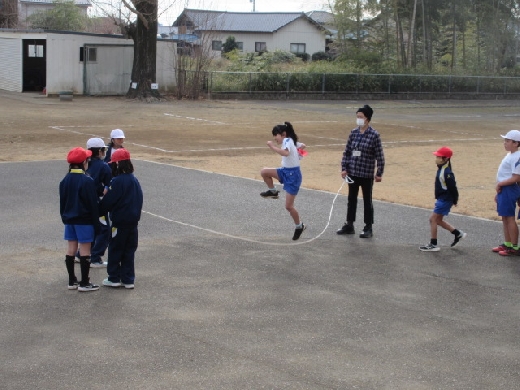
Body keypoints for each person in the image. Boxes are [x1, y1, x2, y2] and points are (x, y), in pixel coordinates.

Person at [336, 104, 385, 238]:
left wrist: (379, 172)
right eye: (357, 117)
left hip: (366, 173)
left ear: (367, 119)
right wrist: (344, 168)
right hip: (353, 172)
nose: (358, 119)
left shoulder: (374, 135)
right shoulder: (353, 133)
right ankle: (349, 224)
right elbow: (347, 152)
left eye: (361, 117)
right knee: (351, 199)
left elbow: (380, 155)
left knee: (367, 201)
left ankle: (368, 227)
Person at [100, 149, 143, 289]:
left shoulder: (117, 181)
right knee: (129, 250)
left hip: (119, 222)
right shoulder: (134, 180)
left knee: (116, 249)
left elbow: (109, 201)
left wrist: (100, 207)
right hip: (133, 222)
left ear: (117, 163)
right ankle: (128, 278)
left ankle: (114, 277)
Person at [59, 147, 100, 292]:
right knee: (85, 250)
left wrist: (64, 218)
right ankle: (84, 282)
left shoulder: (65, 180)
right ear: (84, 162)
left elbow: (62, 203)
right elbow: (92, 204)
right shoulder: (87, 180)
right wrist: (97, 223)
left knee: (71, 249)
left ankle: (72, 280)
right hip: (84, 221)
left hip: (69, 220)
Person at [260, 122, 306, 241]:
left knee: (289, 206)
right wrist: (298, 147)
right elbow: (303, 145)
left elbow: (286, 153)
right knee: (264, 172)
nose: (275, 138)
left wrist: (272, 147)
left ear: (283, 134)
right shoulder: (290, 141)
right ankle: (273, 191)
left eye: (276, 135)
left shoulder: (287, 141)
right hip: (285, 171)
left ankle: (299, 226)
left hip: (293, 175)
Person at [419, 146, 467, 252]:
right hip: (443, 199)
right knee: (438, 220)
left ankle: (433, 244)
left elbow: (453, 187)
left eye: (439, 157)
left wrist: (455, 199)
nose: (436, 158)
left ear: (446, 159)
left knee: (433, 219)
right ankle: (458, 234)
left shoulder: (447, 173)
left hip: (445, 199)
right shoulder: (442, 170)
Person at [492, 130, 520, 256]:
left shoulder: (517, 157)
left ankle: (514, 246)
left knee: (509, 218)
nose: (505, 143)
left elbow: (516, 177)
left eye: (508, 141)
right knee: (504, 217)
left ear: (516, 143)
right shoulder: (510, 155)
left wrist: (500, 184)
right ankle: (507, 243)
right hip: (505, 189)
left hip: (510, 188)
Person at [86, 137, 112, 267]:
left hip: (85, 203)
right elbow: (107, 186)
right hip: (98, 204)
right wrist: (104, 190)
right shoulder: (104, 167)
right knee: (104, 230)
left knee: (90, 228)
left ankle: (83, 254)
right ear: (101, 151)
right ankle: (95, 257)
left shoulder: (85, 163)